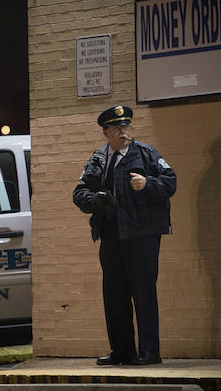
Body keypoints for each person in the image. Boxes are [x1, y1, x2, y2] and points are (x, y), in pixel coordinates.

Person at [73, 105, 176, 366]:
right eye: (118, 128)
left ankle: (150, 351)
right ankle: (122, 351)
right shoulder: (99, 159)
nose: (124, 131)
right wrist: (95, 199)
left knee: (143, 292)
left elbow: (170, 181)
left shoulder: (146, 153)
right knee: (115, 296)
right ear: (105, 132)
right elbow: (79, 192)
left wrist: (147, 184)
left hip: (142, 234)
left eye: (127, 126)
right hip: (111, 235)